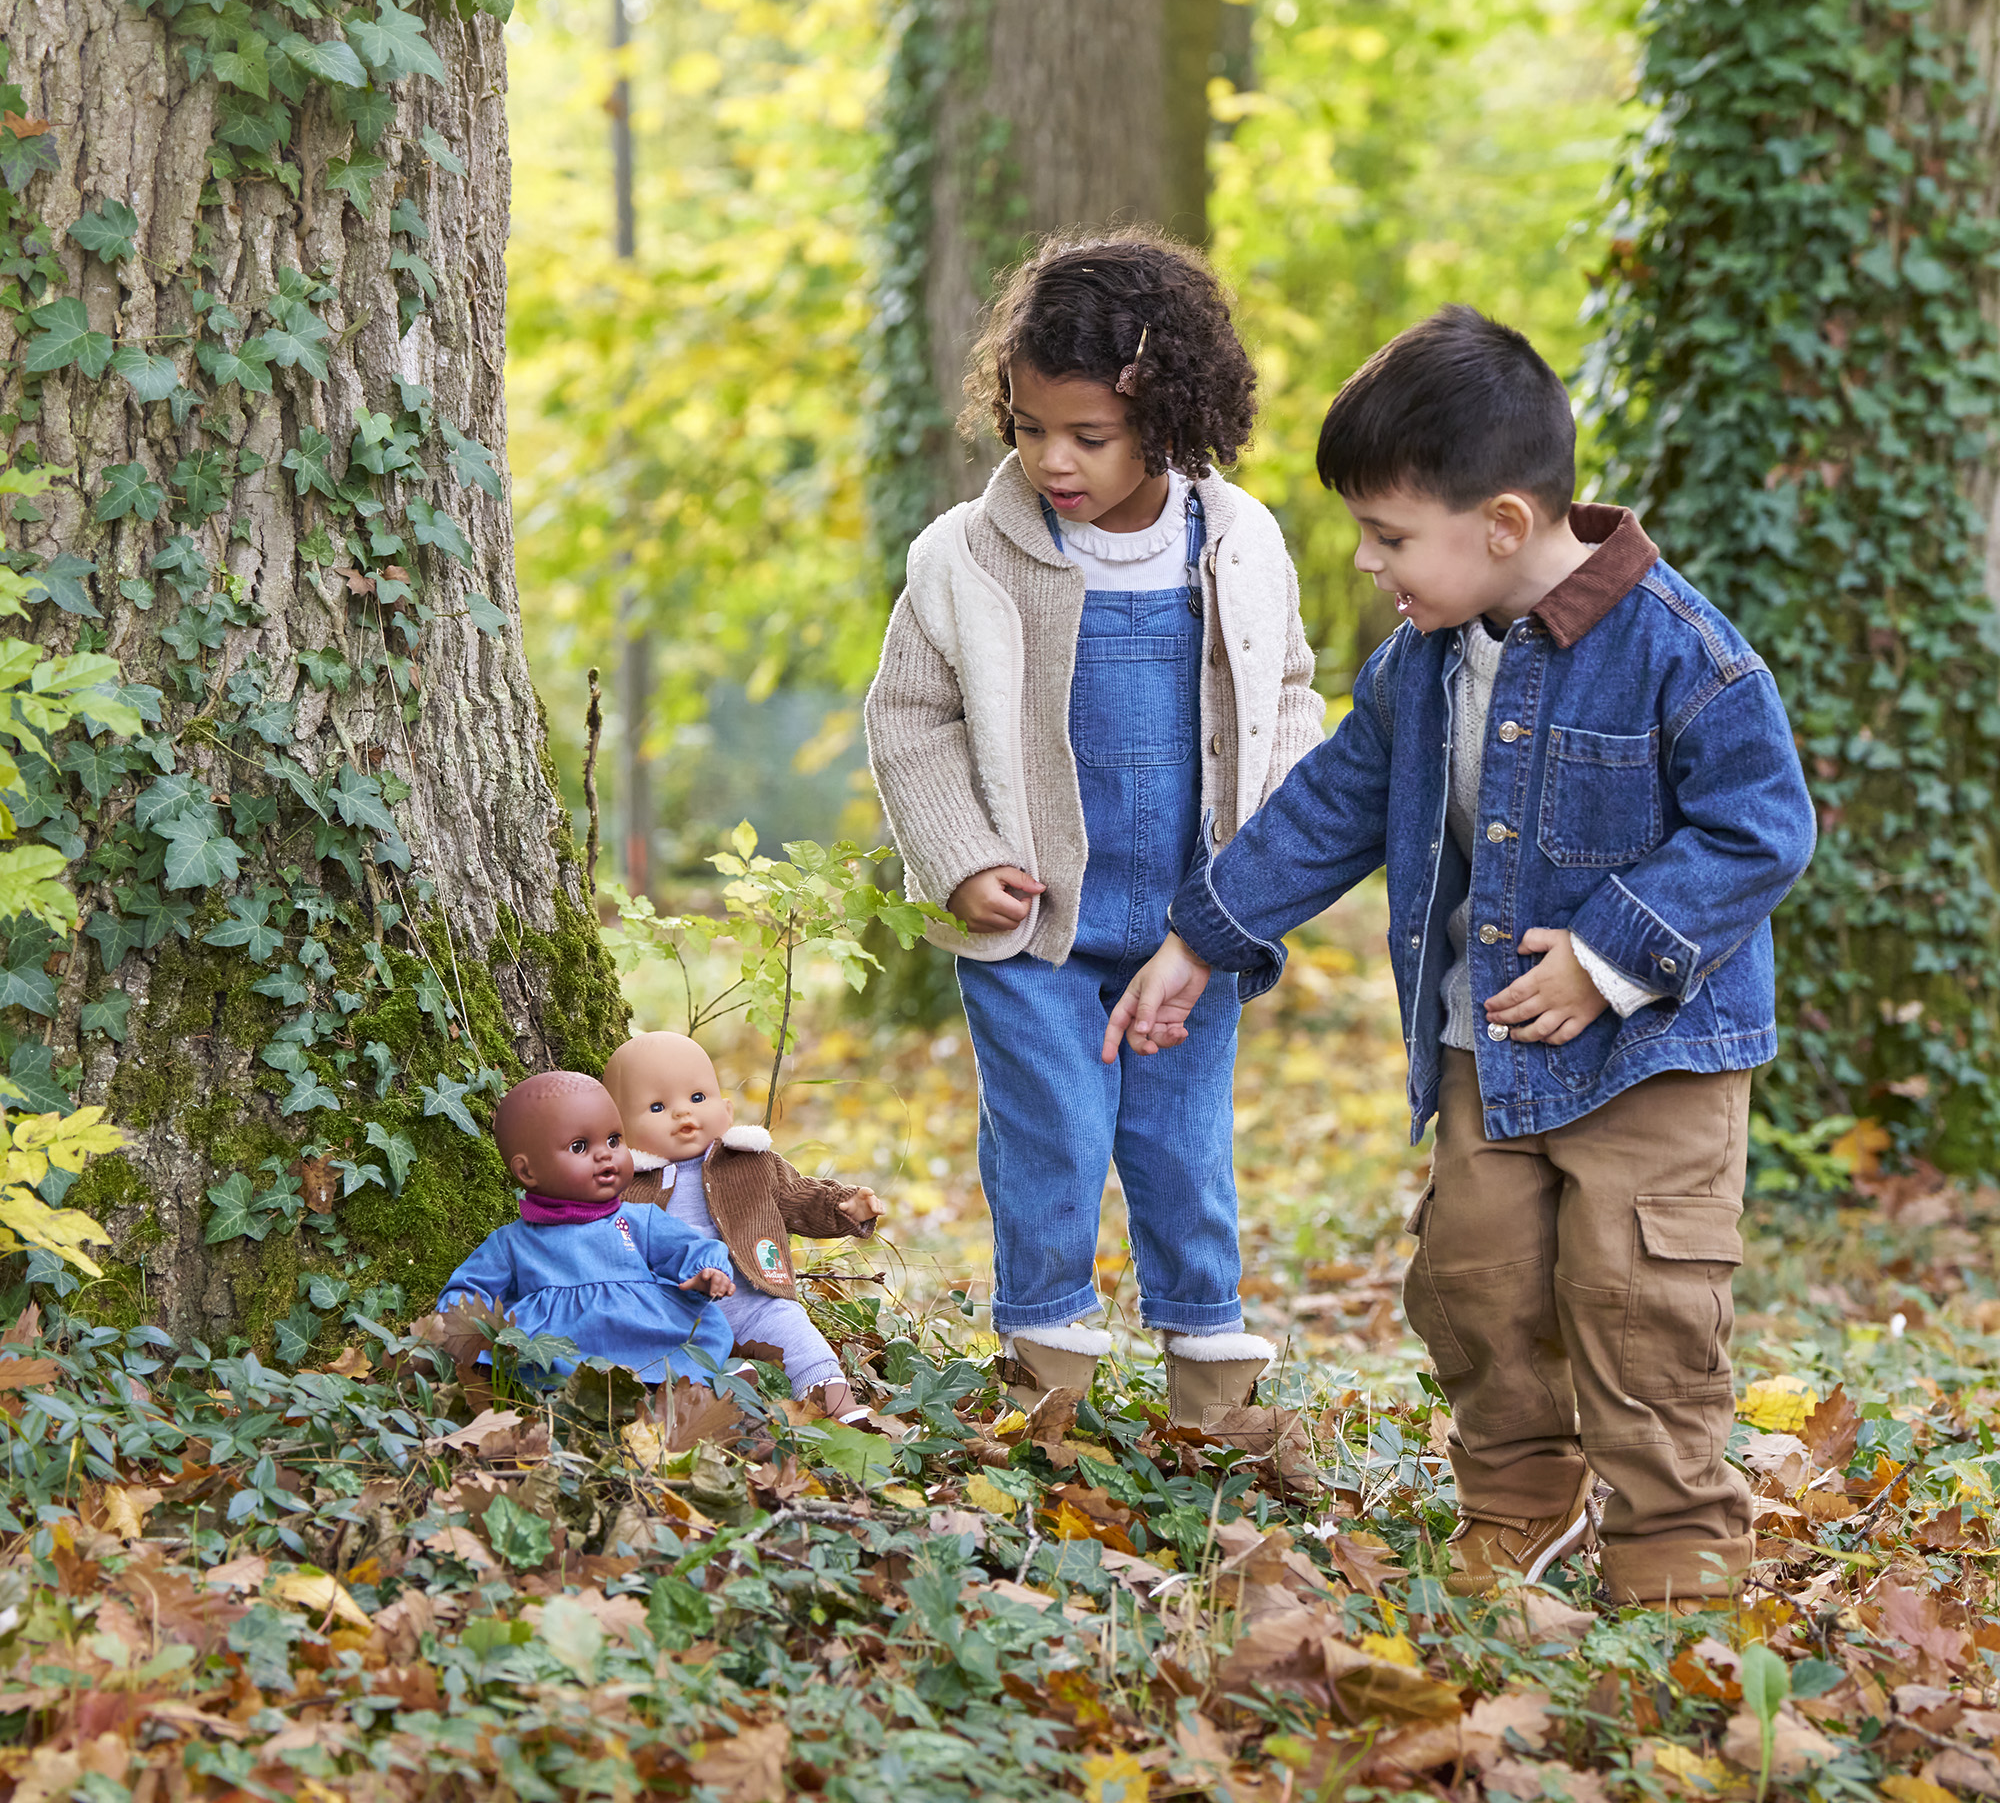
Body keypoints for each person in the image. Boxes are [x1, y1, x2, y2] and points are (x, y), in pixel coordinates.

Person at [1106, 304, 1815, 1608]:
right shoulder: (1422, 664)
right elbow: (1334, 806)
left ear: (1500, 525)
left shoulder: (1682, 652)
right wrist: (1204, 935)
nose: (1375, 565)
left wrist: (1610, 955)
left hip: (1655, 1055)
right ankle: (1516, 1507)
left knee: (1638, 1294)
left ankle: (1673, 1552)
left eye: (1389, 536)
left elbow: (1763, 829)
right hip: (1484, 1039)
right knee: (1479, 1275)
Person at [864, 230, 1323, 1424]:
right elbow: (908, 716)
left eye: (1087, 434)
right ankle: (1043, 1351)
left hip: (1190, 918)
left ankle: (1205, 1355)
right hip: (1033, 921)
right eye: (1026, 427)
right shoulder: (966, 555)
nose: (1050, 459)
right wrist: (959, 858)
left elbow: (1285, 698)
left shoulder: (1235, 543)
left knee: (1182, 1141)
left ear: (1168, 416)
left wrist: (1250, 881)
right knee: (1052, 1130)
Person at [607, 1030, 882, 1420]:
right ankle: (736, 1394)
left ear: (728, 1110)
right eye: (656, 1107)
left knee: (799, 1338)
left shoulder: (750, 1163)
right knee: (671, 1363)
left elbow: (797, 1197)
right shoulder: (626, 1189)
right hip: (676, 1313)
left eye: (698, 1098)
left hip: (758, 1299)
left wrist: (845, 1206)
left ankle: (839, 1406)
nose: (683, 1113)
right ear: (619, 1134)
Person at [436, 1070, 736, 1386]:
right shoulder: (513, 1242)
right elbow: (468, 1290)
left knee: (694, 1340)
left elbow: (686, 1246)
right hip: (562, 1352)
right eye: (580, 1146)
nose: (605, 1153)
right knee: (542, 1369)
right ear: (527, 1171)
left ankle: (697, 1385)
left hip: (647, 1331)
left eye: (613, 1139)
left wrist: (708, 1270)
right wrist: (462, 1318)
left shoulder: (638, 1220)